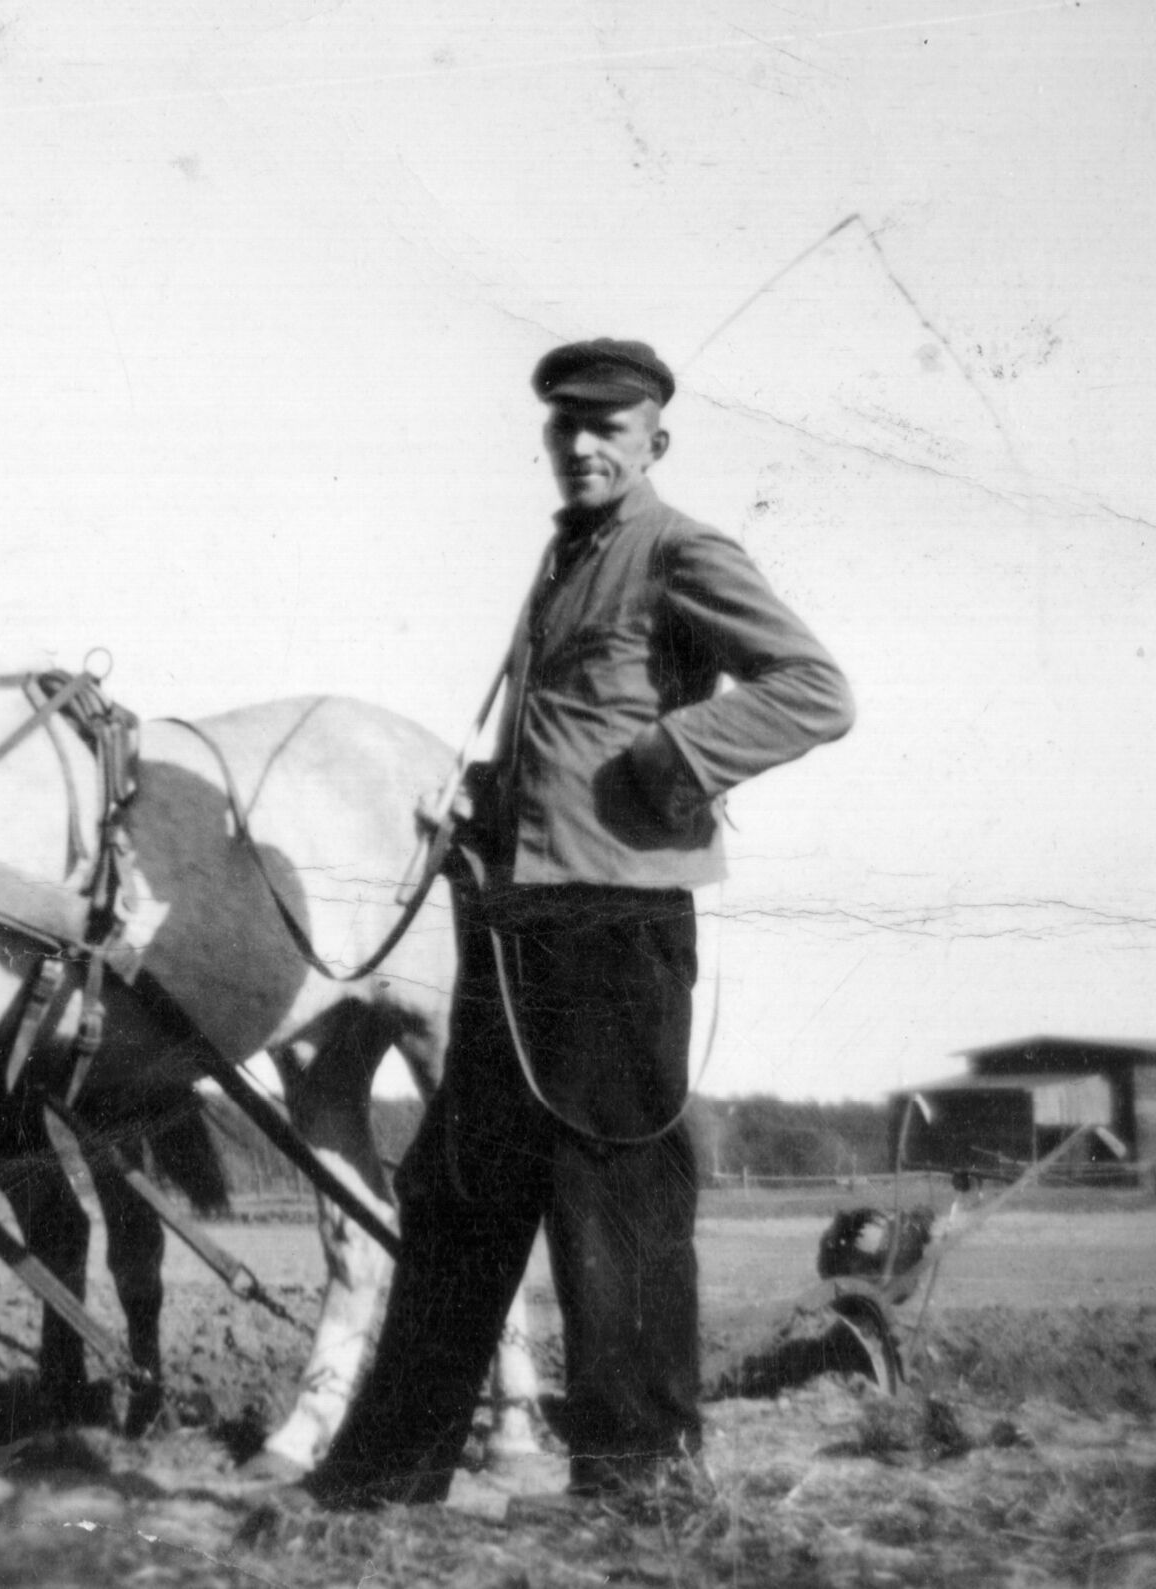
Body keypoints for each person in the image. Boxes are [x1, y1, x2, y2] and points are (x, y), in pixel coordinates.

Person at [308, 338, 854, 1507]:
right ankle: (385, 1477)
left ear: (655, 439)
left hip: (615, 926)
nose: (582, 444)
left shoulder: (679, 549)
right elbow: (562, 738)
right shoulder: (564, 561)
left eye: (609, 424)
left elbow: (815, 690)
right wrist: (481, 798)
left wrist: (670, 757)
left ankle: (640, 1483)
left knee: (616, 1203)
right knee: (458, 1192)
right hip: (518, 922)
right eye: (565, 424)